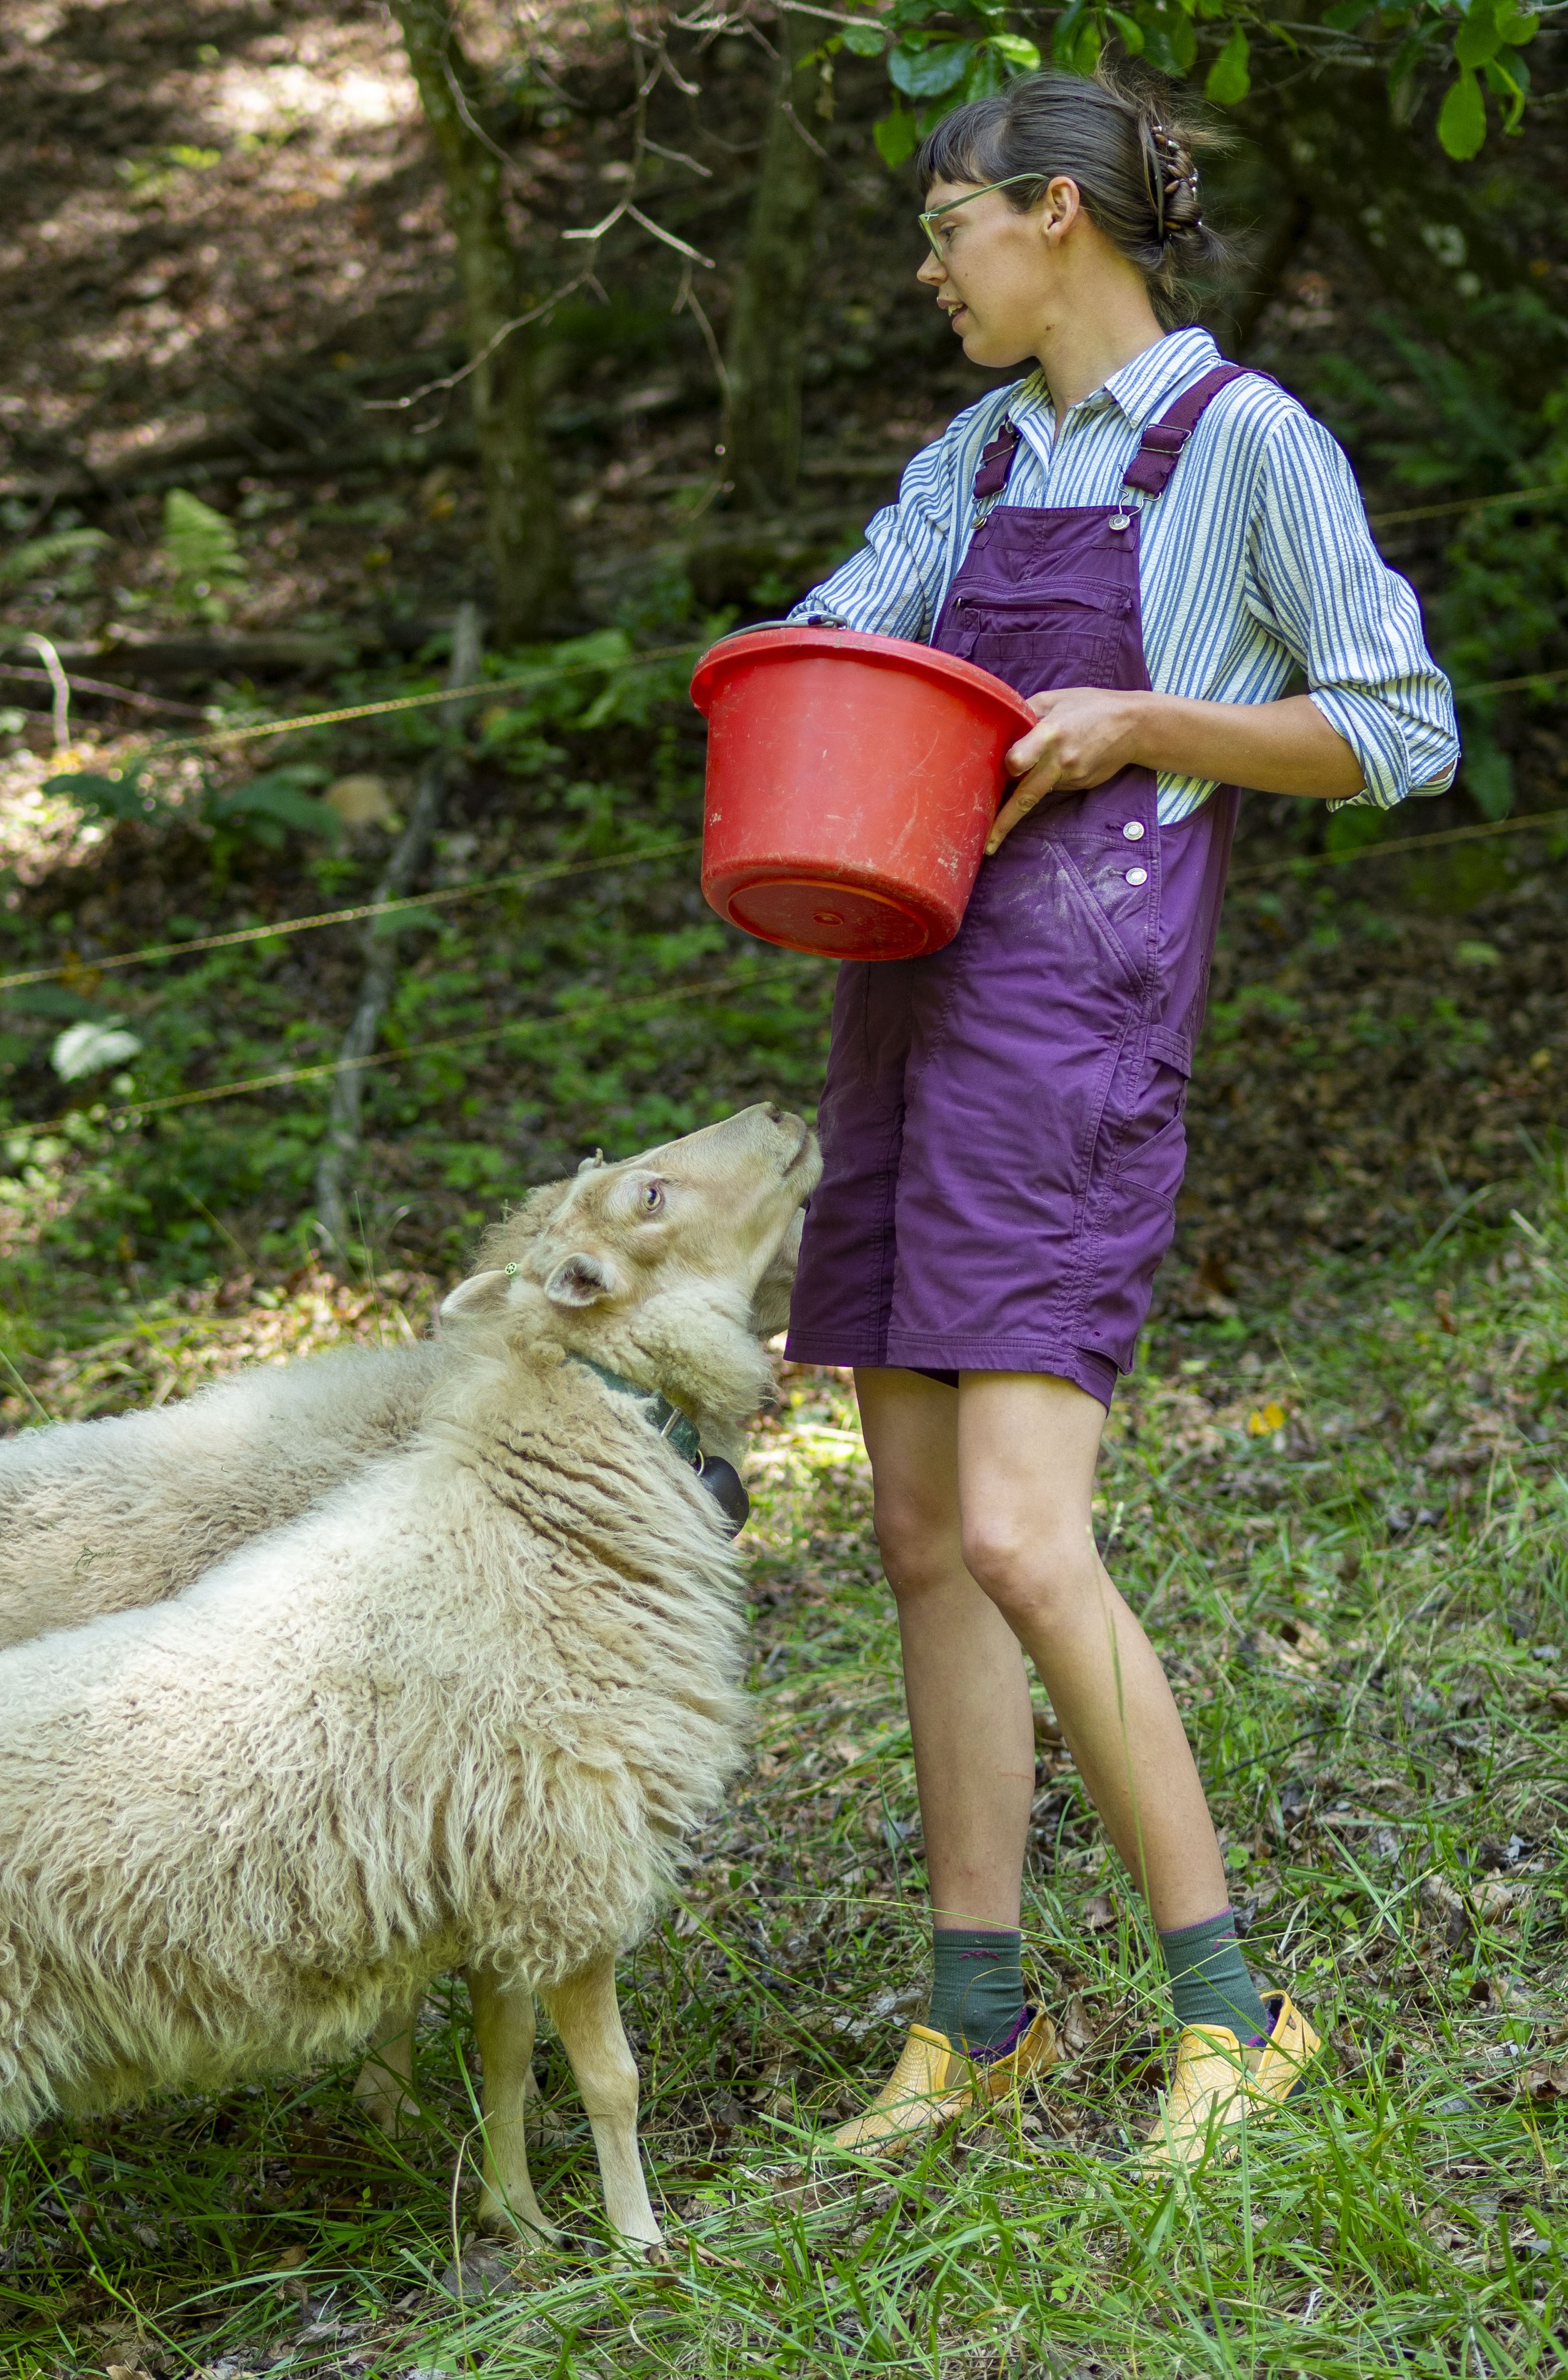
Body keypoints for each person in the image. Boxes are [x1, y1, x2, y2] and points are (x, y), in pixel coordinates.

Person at [782, 68, 1457, 2166]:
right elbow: (843, 632)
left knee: (1014, 1531)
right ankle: (978, 2023)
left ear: (1053, 215)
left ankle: (1235, 2012)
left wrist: (1147, 720)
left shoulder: (1242, 441)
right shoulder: (971, 457)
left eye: (948, 227)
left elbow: (1398, 725)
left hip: (1072, 1028)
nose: (931, 269)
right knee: (910, 1540)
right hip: (905, 1007)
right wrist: (785, 674)